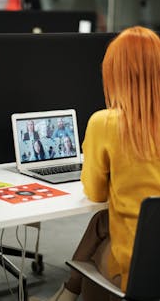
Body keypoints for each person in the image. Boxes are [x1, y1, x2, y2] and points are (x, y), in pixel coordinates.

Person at [37, 26, 160, 301]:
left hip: (138, 273)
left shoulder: (106, 122)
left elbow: (95, 192)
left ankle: (69, 293)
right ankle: (66, 293)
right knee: (102, 221)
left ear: (117, 75)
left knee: (97, 250)